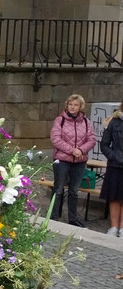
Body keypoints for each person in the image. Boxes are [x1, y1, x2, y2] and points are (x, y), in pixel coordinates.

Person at [49, 94, 96, 227]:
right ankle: (53, 216)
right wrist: (72, 150)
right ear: (67, 105)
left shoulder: (86, 122)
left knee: (74, 191)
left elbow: (92, 139)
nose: (72, 107)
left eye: (75, 105)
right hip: (62, 160)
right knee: (58, 189)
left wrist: (81, 150)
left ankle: (73, 218)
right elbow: (55, 139)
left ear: (80, 107)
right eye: (70, 104)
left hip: (79, 161)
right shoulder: (60, 120)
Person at [100, 101, 123, 238]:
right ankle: (114, 227)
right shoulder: (114, 121)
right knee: (114, 196)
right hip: (115, 164)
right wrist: (114, 156)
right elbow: (104, 144)